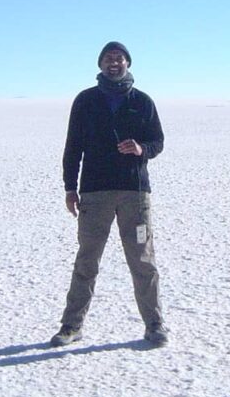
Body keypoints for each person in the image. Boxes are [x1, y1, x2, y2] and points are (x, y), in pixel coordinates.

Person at [51, 41, 169, 348]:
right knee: (86, 260)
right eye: (108, 59)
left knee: (143, 261)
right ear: (100, 64)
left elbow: (157, 142)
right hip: (94, 193)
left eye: (119, 59)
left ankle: (154, 324)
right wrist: (69, 187)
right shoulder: (86, 101)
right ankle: (71, 325)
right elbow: (72, 147)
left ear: (128, 63)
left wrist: (142, 149)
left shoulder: (142, 101)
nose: (113, 63)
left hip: (135, 193)